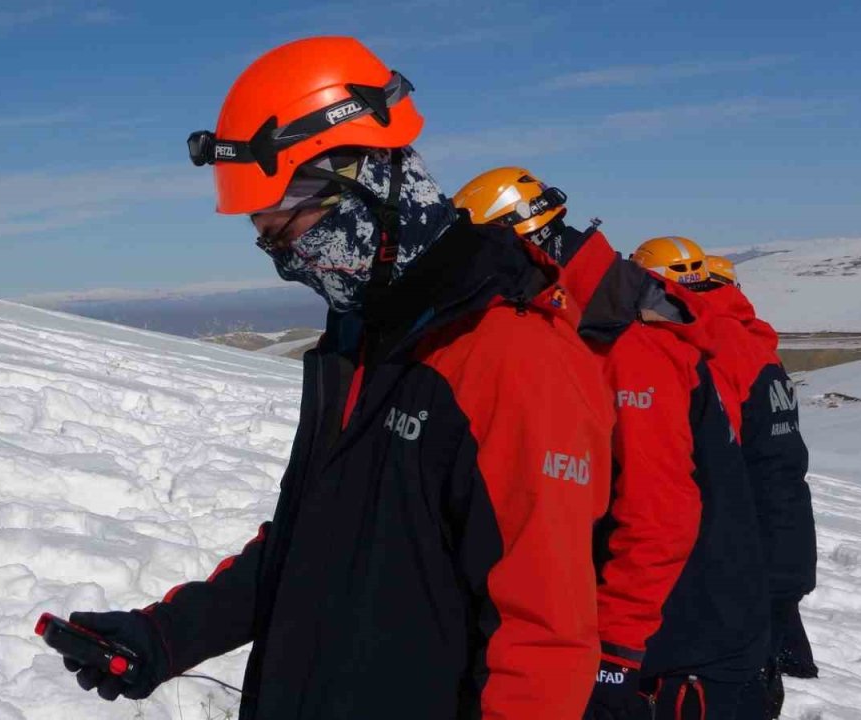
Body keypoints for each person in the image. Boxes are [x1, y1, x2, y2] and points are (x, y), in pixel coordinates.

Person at [57, 37, 615, 719]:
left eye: (287, 224)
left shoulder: (510, 358)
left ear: (368, 183)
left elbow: (545, 643)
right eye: (264, 235)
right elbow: (310, 545)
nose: (283, 256)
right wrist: (166, 637)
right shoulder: (357, 339)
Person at [453, 169, 769, 720]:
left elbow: (659, 516)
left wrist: (617, 652)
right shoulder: (602, 312)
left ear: (523, 243)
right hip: (677, 631)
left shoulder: (628, 342)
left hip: (677, 650)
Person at [633, 239, 818, 719]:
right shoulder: (756, 346)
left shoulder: (703, 345)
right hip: (767, 550)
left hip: (717, 559)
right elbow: (781, 472)